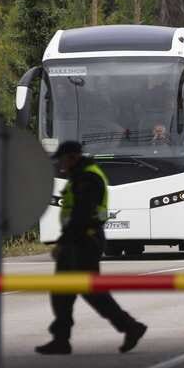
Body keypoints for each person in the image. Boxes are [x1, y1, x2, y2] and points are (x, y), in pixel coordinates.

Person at [36, 141, 147, 355]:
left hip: (84, 241)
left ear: (73, 157)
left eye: (62, 159)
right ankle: (61, 339)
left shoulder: (88, 178)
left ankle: (130, 327)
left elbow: (81, 215)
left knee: (91, 292)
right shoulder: (80, 176)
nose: (60, 165)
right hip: (78, 240)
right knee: (63, 292)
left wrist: (63, 243)